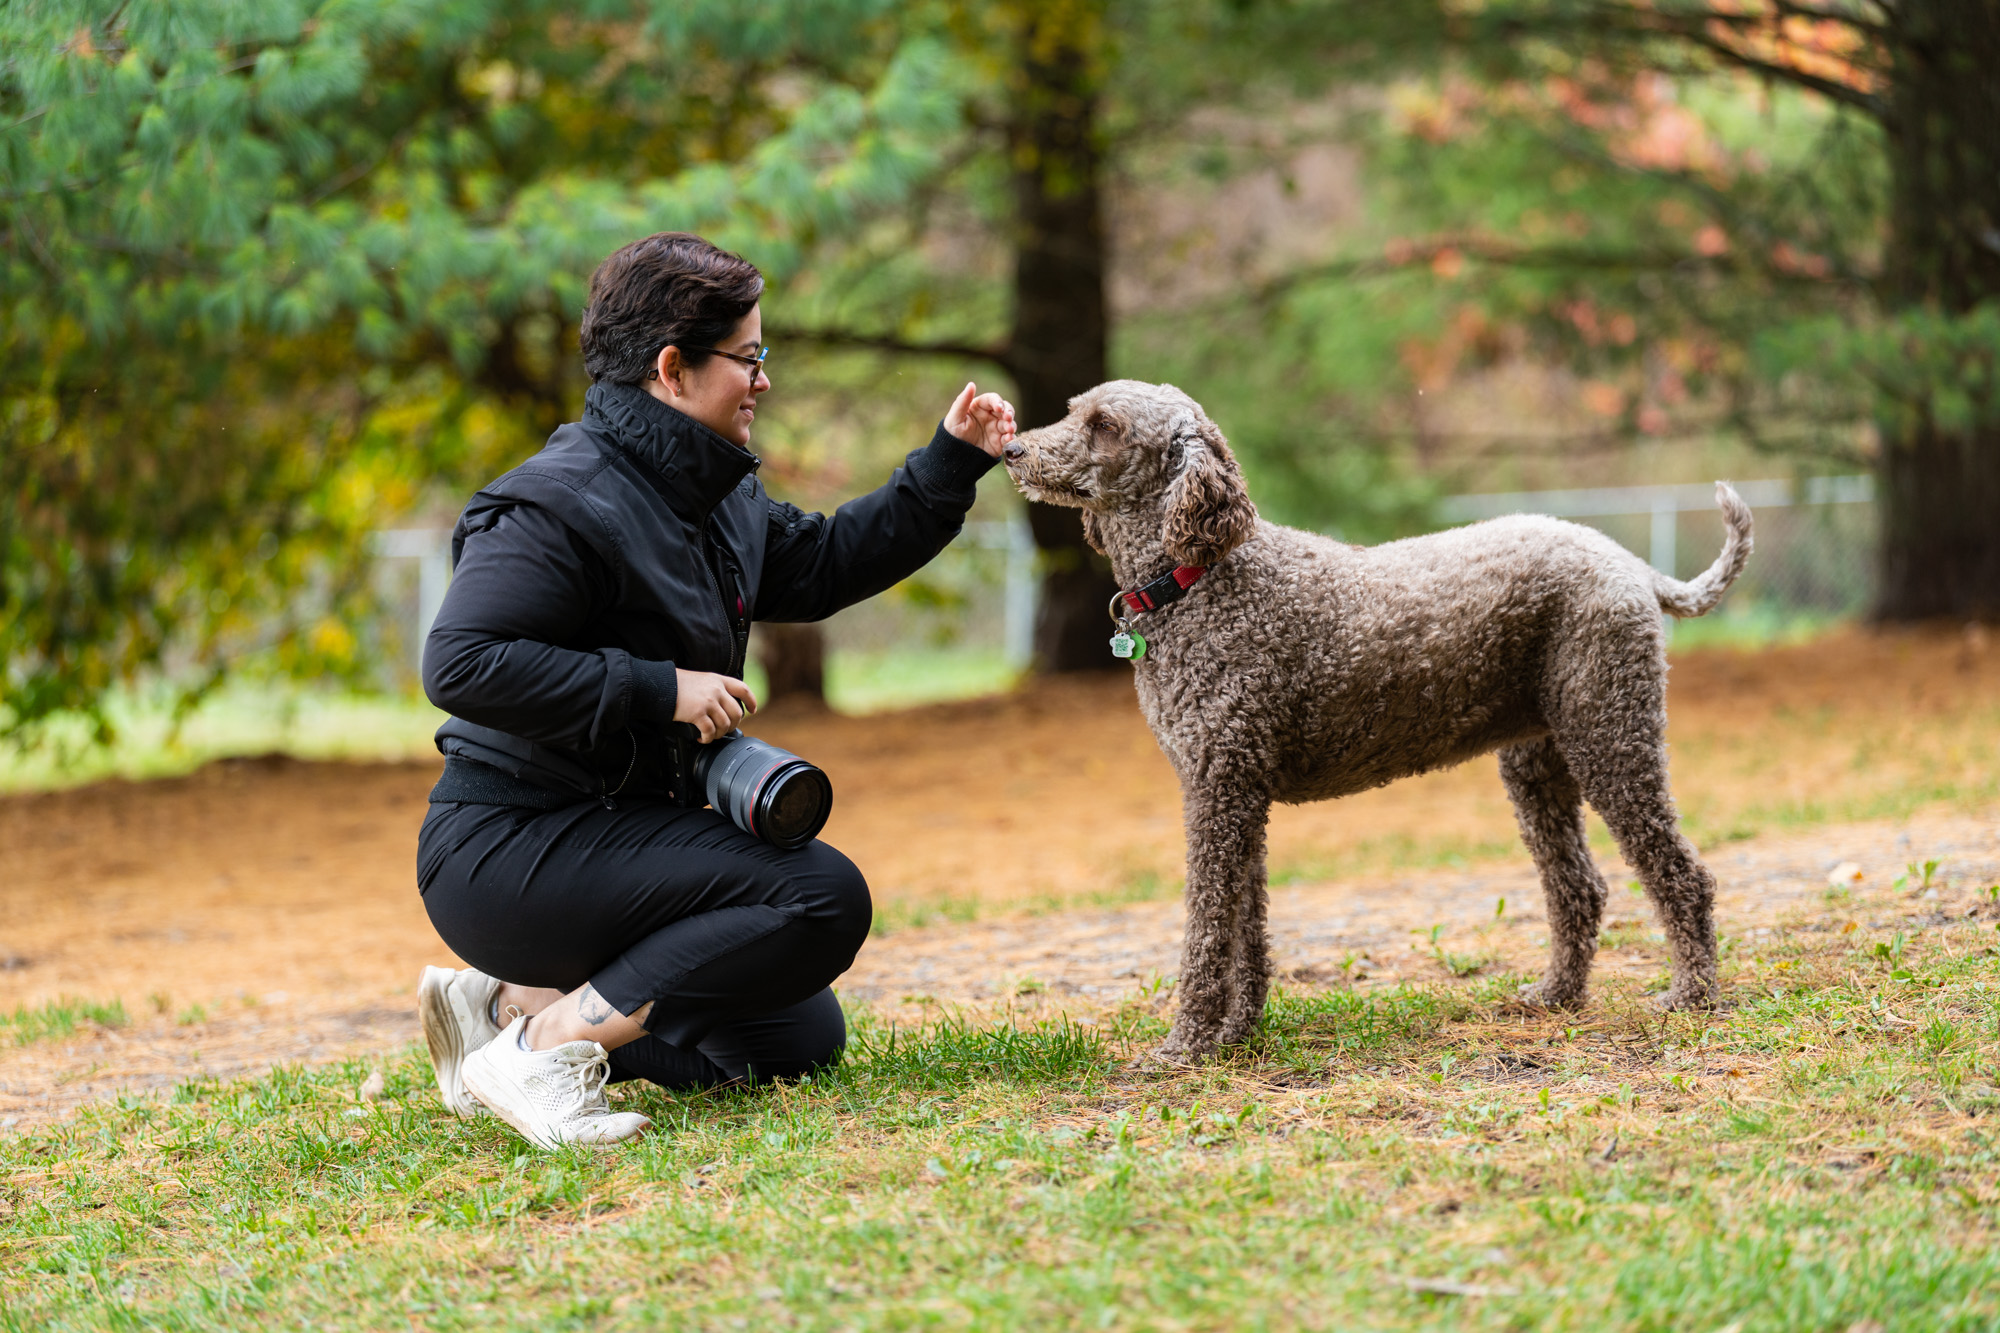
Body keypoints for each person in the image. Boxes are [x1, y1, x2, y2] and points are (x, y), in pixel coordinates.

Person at [413, 232, 1015, 1150]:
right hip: (508, 845)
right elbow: (460, 661)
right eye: (749, 358)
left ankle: (501, 1006)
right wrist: (660, 689)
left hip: (617, 828)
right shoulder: (554, 503)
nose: (763, 379)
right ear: (671, 368)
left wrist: (947, 464)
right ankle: (543, 1045)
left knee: (793, 1035)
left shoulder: (711, 493)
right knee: (819, 897)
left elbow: (818, 566)